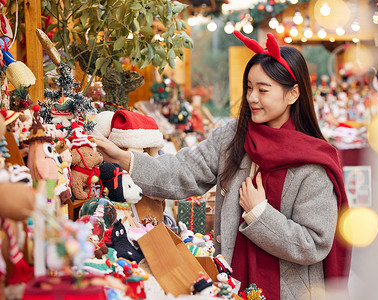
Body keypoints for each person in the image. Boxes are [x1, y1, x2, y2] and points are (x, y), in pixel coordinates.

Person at [94, 31, 351, 299]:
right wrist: (125, 158)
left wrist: (259, 215)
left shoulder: (313, 162)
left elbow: (313, 244)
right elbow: (184, 171)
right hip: (232, 282)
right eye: (249, 88)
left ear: (293, 94)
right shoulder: (233, 137)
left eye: (263, 90)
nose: (252, 98)